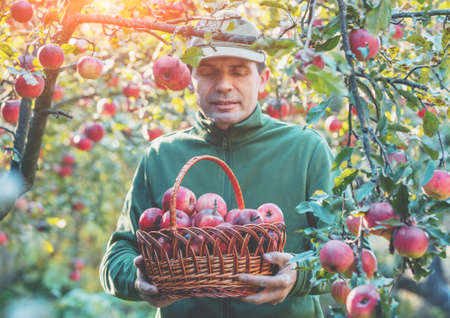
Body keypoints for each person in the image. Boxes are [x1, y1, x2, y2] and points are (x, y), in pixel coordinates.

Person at [100, 11, 333, 318]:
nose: (224, 85)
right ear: (190, 79)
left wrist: (298, 274)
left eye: (238, 72)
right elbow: (117, 256)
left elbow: (343, 252)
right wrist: (138, 279)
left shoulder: (305, 149)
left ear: (262, 79)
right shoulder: (162, 154)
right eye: (209, 73)